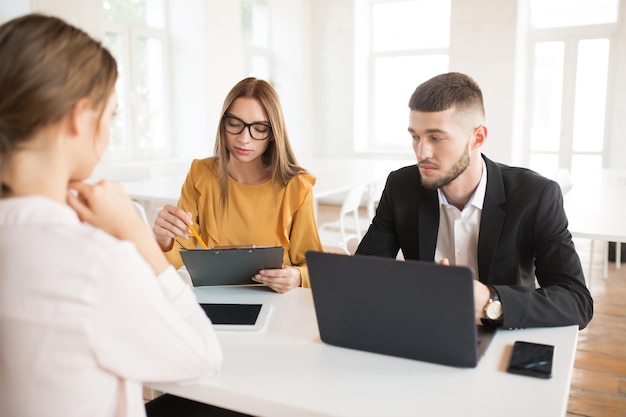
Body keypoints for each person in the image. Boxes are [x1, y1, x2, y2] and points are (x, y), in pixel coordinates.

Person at [0, 14, 223, 417]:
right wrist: (135, 235)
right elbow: (202, 356)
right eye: (112, 114)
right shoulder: (94, 262)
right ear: (79, 117)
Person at [356, 72, 593, 329]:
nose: (421, 152)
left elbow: (577, 302)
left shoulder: (535, 195)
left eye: (436, 138)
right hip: (424, 331)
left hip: (503, 333)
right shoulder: (401, 186)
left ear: (477, 138)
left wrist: (491, 302)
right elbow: (362, 275)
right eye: (416, 137)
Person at [153, 77, 323, 293]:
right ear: (222, 124)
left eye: (259, 128)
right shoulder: (200, 175)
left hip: (278, 301)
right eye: (234, 124)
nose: (244, 138)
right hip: (213, 299)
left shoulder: (296, 187)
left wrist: (296, 277)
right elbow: (175, 259)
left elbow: (313, 267)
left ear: (273, 133)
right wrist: (163, 239)